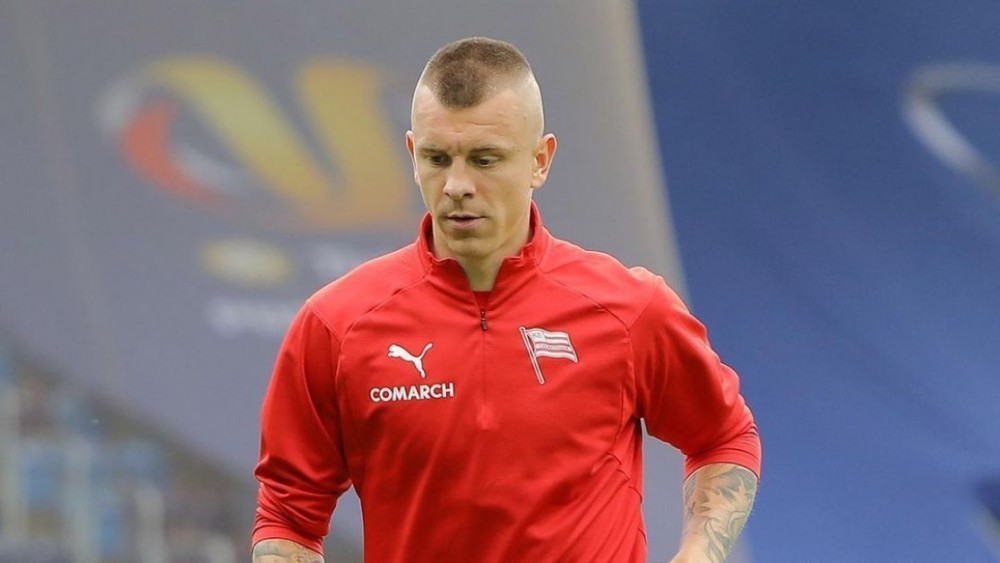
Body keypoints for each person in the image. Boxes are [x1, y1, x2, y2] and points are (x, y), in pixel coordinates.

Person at [251, 37, 760, 563]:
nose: (456, 185)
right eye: (436, 158)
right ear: (412, 155)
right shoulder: (336, 325)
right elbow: (288, 516)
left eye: (485, 159)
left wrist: (699, 554)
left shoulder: (630, 309)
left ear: (540, 160)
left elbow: (724, 436)